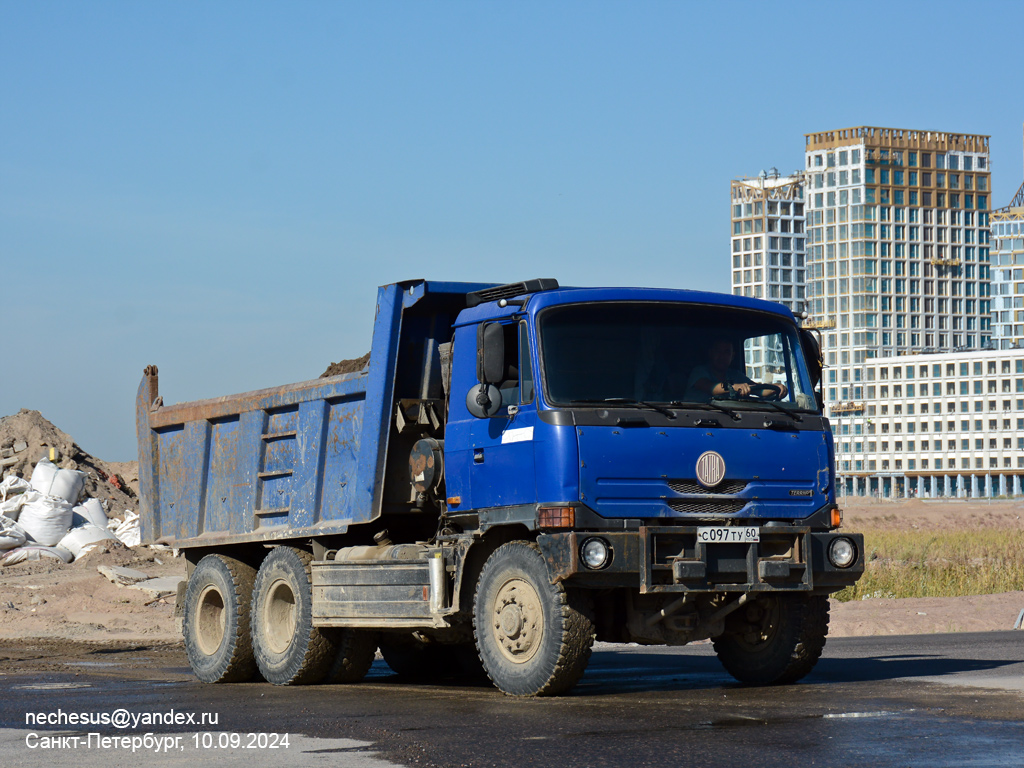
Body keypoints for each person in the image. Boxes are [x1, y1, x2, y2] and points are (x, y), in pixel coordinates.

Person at [684, 337, 788, 402]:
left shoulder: (735, 375)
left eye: (727, 352)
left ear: (732, 356)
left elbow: (758, 389)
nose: (722, 356)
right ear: (710, 353)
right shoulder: (699, 371)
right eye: (718, 352)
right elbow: (711, 388)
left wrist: (776, 388)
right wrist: (736, 387)